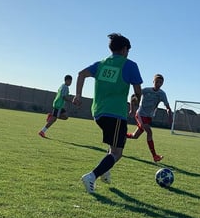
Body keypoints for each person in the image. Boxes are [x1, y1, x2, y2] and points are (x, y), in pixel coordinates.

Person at [72, 33, 143, 193]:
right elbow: (137, 91)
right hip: (116, 113)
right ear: (125, 49)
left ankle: (105, 172)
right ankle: (92, 176)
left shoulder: (101, 64)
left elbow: (81, 74)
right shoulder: (129, 65)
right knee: (117, 153)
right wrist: (134, 104)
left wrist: (78, 95)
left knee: (112, 146)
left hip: (98, 112)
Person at [126, 73, 172, 161]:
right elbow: (133, 96)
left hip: (149, 117)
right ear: (153, 81)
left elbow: (168, 107)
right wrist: (132, 110)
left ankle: (119, 137)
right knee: (149, 132)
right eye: (157, 82)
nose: (158, 84)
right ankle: (155, 156)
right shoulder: (146, 90)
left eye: (160, 82)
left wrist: (170, 117)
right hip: (140, 115)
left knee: (135, 136)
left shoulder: (162, 94)